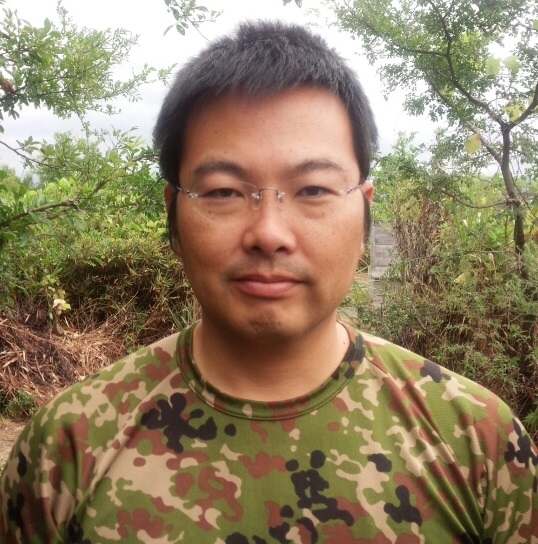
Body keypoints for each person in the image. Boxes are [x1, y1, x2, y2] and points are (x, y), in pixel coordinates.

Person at [1, 20, 537, 544]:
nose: (269, 234)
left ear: (363, 214)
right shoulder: (65, 450)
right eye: (223, 192)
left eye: (314, 190)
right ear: (173, 216)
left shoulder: (478, 443)